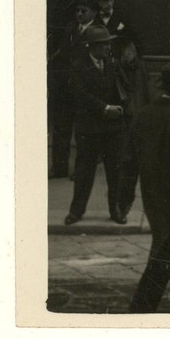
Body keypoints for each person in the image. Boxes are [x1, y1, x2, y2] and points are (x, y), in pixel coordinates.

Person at [123, 60, 170, 313]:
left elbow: (129, 160)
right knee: (166, 249)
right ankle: (141, 306)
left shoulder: (143, 114)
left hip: (151, 195)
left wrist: (125, 196)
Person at [65, 23, 129, 225]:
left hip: (112, 128)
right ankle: (76, 211)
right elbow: (80, 95)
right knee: (84, 171)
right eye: (104, 44)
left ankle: (116, 210)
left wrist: (118, 109)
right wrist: (105, 108)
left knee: (115, 172)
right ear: (92, 46)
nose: (108, 47)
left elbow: (122, 90)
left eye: (108, 44)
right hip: (89, 128)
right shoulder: (78, 66)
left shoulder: (112, 64)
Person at [49, 0, 99, 178]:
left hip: (83, 87)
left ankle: (81, 171)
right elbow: (62, 52)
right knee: (61, 128)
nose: (79, 14)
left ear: (93, 12)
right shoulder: (71, 28)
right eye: (77, 10)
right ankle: (59, 168)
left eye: (83, 11)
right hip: (64, 87)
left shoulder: (97, 31)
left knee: (83, 132)